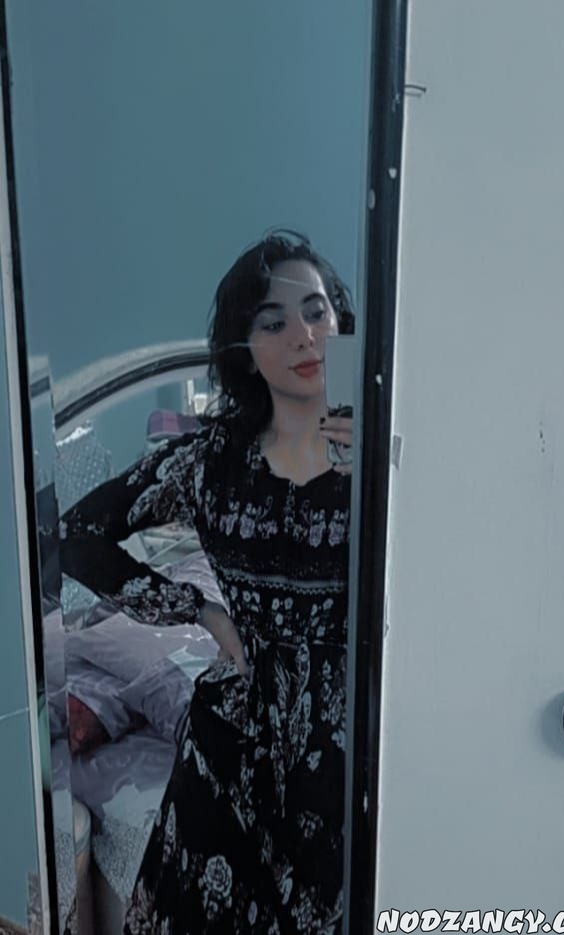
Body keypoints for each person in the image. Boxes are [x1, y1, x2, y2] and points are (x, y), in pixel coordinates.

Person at [60, 230, 354, 934]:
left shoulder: (386, 452)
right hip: (228, 748)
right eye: (272, 322)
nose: (303, 336)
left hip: (349, 746)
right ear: (243, 349)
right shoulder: (210, 461)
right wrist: (201, 611)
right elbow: (73, 535)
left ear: (341, 320)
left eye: (316, 311)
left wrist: (389, 453)